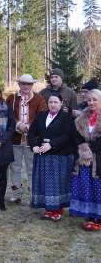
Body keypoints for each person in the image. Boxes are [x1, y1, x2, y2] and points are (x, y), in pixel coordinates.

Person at [27, 93, 75, 221]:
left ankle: (58, 209)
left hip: (59, 157)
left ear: (61, 103)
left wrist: (52, 145)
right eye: (50, 102)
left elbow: (68, 135)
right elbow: (31, 132)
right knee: (44, 182)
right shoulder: (41, 116)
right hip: (42, 156)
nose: (52, 104)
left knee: (57, 183)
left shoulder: (66, 117)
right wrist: (34, 146)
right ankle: (48, 208)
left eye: (55, 102)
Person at [6, 74, 47, 203]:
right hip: (15, 138)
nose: (26, 86)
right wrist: (18, 124)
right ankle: (16, 193)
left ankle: (33, 195)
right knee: (15, 167)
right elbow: (8, 114)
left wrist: (28, 126)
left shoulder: (39, 99)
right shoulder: (11, 98)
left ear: (32, 85)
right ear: (19, 84)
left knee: (32, 168)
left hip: (32, 140)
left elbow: (42, 116)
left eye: (28, 84)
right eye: (23, 83)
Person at [70, 89, 101, 231]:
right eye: (89, 100)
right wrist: (83, 148)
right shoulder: (81, 118)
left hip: (99, 157)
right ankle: (89, 216)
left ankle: (99, 218)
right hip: (84, 159)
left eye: (94, 99)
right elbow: (76, 135)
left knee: (98, 187)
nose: (91, 102)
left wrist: (90, 148)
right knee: (87, 186)